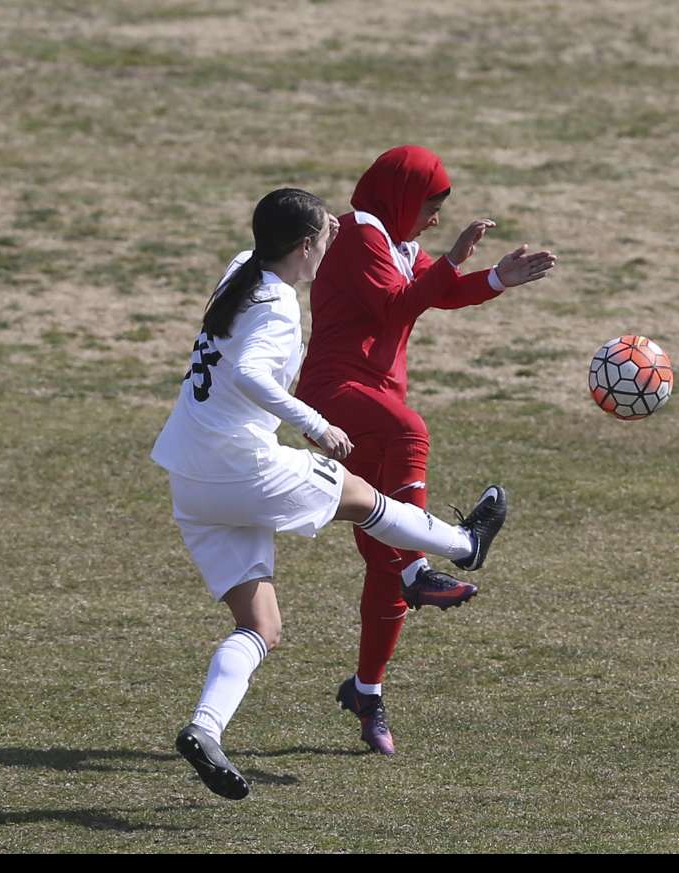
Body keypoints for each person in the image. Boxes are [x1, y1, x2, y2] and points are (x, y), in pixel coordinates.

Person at [150, 188, 508, 800]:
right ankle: (463, 545)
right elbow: (249, 374)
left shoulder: (241, 267)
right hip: (239, 467)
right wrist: (316, 426)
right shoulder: (278, 303)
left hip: (190, 476)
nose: (332, 245)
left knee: (261, 625)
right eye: (325, 237)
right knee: (363, 498)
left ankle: (204, 731)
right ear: (304, 246)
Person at [294, 146, 557, 755]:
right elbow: (394, 304)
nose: (435, 220)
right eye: (430, 208)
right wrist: (455, 260)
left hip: (376, 396)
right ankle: (424, 568)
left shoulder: (394, 243)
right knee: (412, 435)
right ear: (402, 198)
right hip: (338, 394)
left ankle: (367, 690)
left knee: (381, 549)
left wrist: (494, 278)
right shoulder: (360, 234)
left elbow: (427, 293)